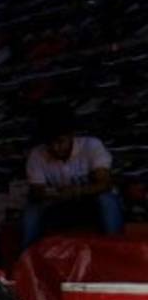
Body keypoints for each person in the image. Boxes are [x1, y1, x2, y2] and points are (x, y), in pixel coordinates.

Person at [22, 107, 122, 250]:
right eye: (50, 143)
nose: (56, 148)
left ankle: (116, 250)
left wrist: (76, 191)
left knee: (107, 199)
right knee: (31, 210)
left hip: (90, 205)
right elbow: (37, 191)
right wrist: (54, 194)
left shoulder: (91, 146)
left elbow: (105, 183)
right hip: (60, 206)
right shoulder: (37, 154)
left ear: (71, 136)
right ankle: (27, 258)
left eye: (60, 141)